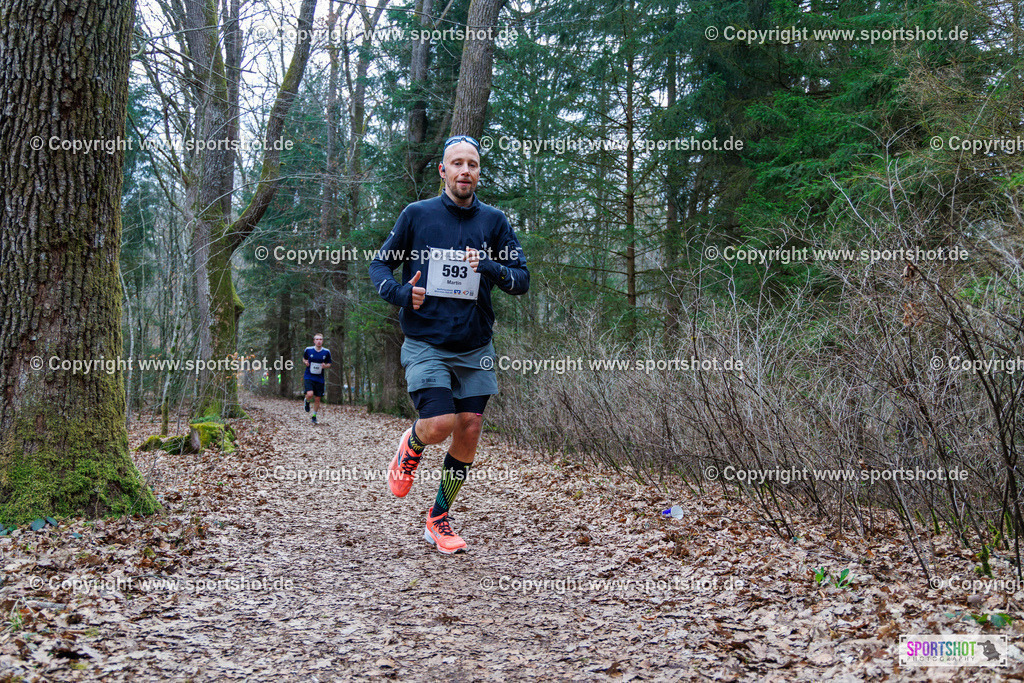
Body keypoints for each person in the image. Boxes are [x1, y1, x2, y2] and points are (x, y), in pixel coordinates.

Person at [369, 134, 529, 553]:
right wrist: (402, 294)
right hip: (427, 340)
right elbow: (379, 265)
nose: (464, 171)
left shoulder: (493, 221)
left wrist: (490, 265)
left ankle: (438, 518)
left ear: (479, 172)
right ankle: (413, 443)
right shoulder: (417, 215)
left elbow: (521, 280)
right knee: (440, 424)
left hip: (475, 345)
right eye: (456, 163)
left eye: (472, 164)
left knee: (470, 427)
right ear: (443, 171)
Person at [302, 333, 332, 424]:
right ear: (314, 341)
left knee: (317, 398)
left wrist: (324, 366)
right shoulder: (308, 350)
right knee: (310, 394)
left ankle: (314, 416)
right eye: (317, 339)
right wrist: (306, 362)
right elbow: (304, 359)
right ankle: (306, 401)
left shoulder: (326, 352)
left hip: (319, 378)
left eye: (320, 339)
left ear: (322, 341)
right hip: (309, 376)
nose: (319, 341)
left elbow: (329, 364)